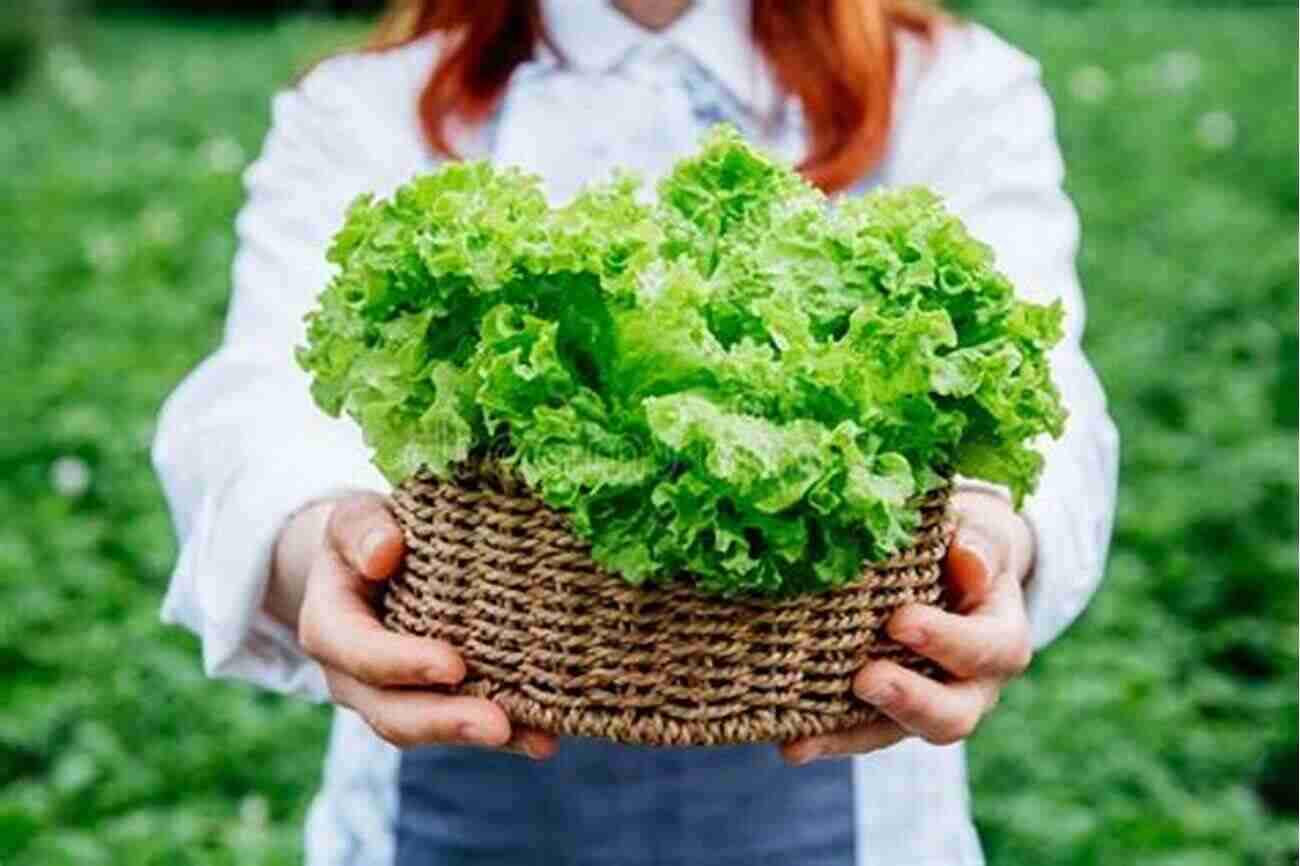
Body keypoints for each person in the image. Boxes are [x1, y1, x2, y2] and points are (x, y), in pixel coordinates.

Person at [153, 1, 1119, 863]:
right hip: (452, 795)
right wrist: (312, 545)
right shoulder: (369, 102)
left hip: (842, 798)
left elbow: (1040, 374)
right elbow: (264, 398)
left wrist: (994, 543)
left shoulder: (947, 83)